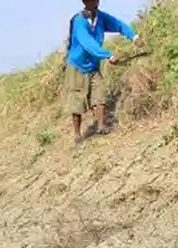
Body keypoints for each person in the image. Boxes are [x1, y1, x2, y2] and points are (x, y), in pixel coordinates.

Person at [64, 0, 142, 143]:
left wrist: (134, 37)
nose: (95, 2)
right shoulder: (79, 21)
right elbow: (88, 43)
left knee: (99, 94)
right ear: (84, 2)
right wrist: (108, 55)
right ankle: (77, 134)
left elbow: (118, 25)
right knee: (77, 101)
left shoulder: (101, 17)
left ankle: (101, 127)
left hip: (93, 65)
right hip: (77, 66)